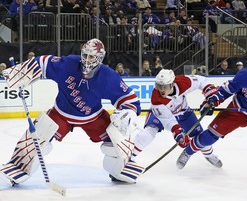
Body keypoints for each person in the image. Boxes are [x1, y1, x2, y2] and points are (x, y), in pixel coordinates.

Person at [0, 38, 142, 185]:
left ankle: (120, 169)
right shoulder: (68, 64)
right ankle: (19, 167)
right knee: (38, 136)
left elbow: (129, 99)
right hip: (61, 114)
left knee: (117, 138)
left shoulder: (107, 76)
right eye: (85, 55)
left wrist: (128, 114)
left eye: (91, 56)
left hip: (92, 117)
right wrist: (22, 73)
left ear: (100, 58)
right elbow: (42, 63)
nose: (87, 60)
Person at [176, 50, 247, 181]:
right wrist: (212, 101)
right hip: (237, 110)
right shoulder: (246, 74)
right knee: (210, 136)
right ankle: (187, 152)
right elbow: (227, 90)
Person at [130, 69, 223, 169]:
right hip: (161, 114)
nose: (161, 90)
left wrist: (209, 93)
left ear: (172, 84)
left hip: (184, 114)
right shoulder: (156, 99)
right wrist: (177, 132)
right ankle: (129, 157)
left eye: (164, 86)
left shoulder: (183, 82)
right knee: (149, 130)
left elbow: (202, 81)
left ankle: (209, 155)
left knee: (200, 138)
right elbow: (168, 120)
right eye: (158, 86)